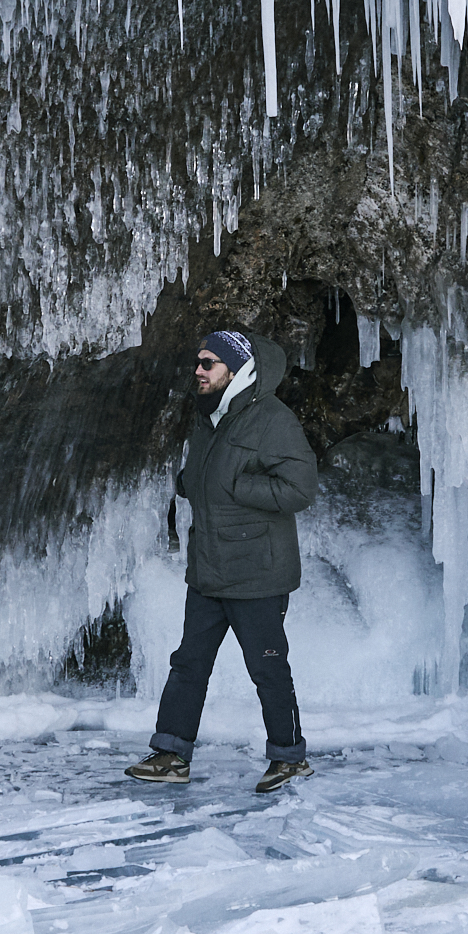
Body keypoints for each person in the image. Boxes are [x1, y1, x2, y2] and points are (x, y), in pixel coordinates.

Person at [125, 329, 318, 793]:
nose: (199, 370)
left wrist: (235, 488)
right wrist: (192, 482)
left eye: (208, 363)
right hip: (210, 569)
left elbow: (300, 489)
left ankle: (289, 758)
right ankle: (171, 754)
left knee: (268, 667)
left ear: (236, 369)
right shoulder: (210, 417)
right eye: (199, 361)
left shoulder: (272, 419)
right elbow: (209, 475)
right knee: (188, 664)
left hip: (257, 573)